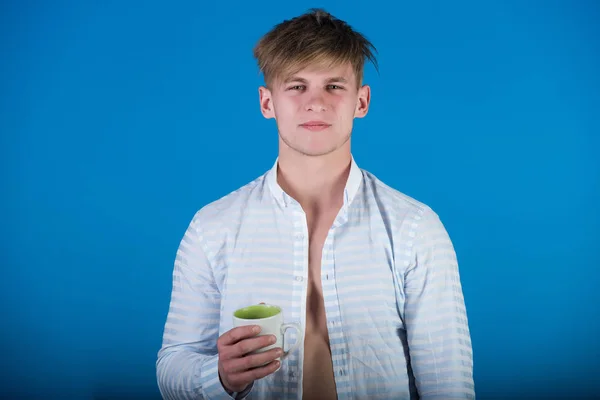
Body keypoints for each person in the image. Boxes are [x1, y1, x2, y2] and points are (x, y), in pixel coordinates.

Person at [156, 8, 474, 400]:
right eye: (297, 86)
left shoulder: (415, 228)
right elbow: (173, 364)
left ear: (361, 101)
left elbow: (449, 386)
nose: (316, 103)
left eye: (334, 86)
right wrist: (219, 376)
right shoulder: (213, 227)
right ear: (267, 102)